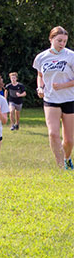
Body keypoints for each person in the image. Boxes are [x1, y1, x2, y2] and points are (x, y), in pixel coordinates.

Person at [33, 26, 74, 169]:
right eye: (59, 41)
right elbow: (40, 75)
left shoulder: (71, 56)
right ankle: (60, 166)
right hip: (50, 100)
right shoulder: (41, 57)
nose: (62, 44)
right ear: (51, 39)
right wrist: (40, 87)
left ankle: (67, 158)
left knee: (69, 141)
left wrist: (63, 85)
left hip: (69, 99)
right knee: (53, 133)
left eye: (64, 41)